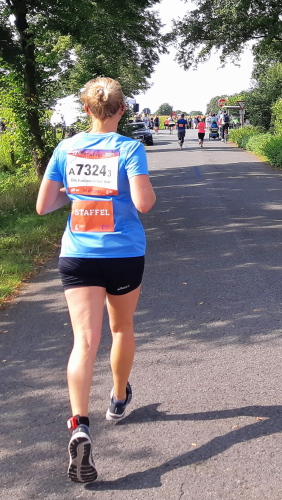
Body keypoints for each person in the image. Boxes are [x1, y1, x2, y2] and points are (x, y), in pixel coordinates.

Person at [35, 77, 156, 483]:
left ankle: (80, 425)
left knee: (84, 342)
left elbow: (43, 205)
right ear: (122, 110)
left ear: (86, 109)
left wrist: (78, 195)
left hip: (78, 255)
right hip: (122, 254)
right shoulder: (129, 148)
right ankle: (118, 398)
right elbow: (144, 203)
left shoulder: (65, 148)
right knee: (121, 328)